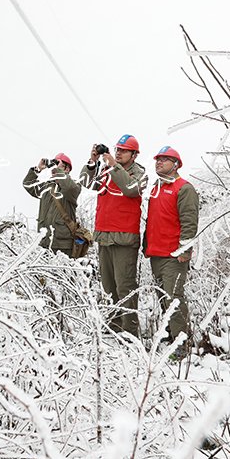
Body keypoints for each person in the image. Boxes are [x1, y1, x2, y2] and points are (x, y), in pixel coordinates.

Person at [80, 134, 147, 337]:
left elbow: (130, 189)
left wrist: (112, 166)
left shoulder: (140, 173)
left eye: (123, 150)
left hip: (124, 239)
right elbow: (86, 183)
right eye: (117, 149)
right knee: (108, 287)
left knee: (125, 286)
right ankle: (113, 328)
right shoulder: (107, 171)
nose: (118, 153)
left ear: (134, 155)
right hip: (104, 237)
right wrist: (92, 163)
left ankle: (130, 333)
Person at [144, 146, 199, 351]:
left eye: (165, 160)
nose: (159, 162)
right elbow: (152, 221)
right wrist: (146, 245)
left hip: (174, 256)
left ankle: (183, 344)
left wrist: (185, 250)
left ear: (176, 165)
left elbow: (189, 222)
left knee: (174, 297)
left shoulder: (184, 188)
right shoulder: (155, 188)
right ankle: (172, 335)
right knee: (163, 298)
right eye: (158, 159)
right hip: (156, 253)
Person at [22, 153, 81, 255]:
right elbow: (28, 184)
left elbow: (69, 188)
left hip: (62, 244)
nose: (54, 168)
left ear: (67, 169)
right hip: (44, 243)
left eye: (58, 164)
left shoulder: (73, 186)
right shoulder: (47, 186)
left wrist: (59, 171)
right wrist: (37, 169)